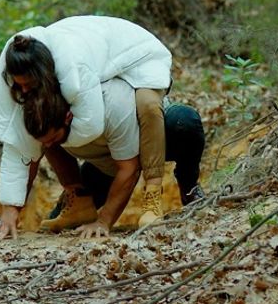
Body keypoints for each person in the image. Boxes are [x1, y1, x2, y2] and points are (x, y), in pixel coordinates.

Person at [0, 16, 173, 239]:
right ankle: (79, 201)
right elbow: (19, 145)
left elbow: (91, 124)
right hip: (100, 60)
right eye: (20, 85)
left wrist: (104, 221)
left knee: (148, 104)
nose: (25, 91)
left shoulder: (74, 69)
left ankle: (153, 194)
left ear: (43, 75)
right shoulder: (32, 85)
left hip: (138, 57)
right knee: (45, 132)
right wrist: (8, 214)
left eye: (28, 85)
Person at [26, 80, 207, 238]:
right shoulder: (49, 108)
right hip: (107, 159)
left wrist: (104, 221)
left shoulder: (111, 96)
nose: (48, 145)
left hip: (154, 133)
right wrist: (9, 211)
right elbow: (27, 156)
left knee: (185, 122)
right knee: (54, 227)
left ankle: (189, 188)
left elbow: (129, 168)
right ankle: (75, 200)